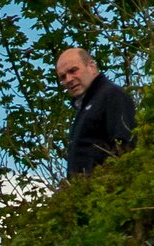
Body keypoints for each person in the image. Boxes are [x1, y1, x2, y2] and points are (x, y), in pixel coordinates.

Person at [56, 47, 136, 177]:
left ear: (91, 67)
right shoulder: (84, 108)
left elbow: (125, 145)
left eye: (73, 71)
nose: (68, 79)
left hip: (110, 190)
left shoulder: (112, 95)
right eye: (63, 77)